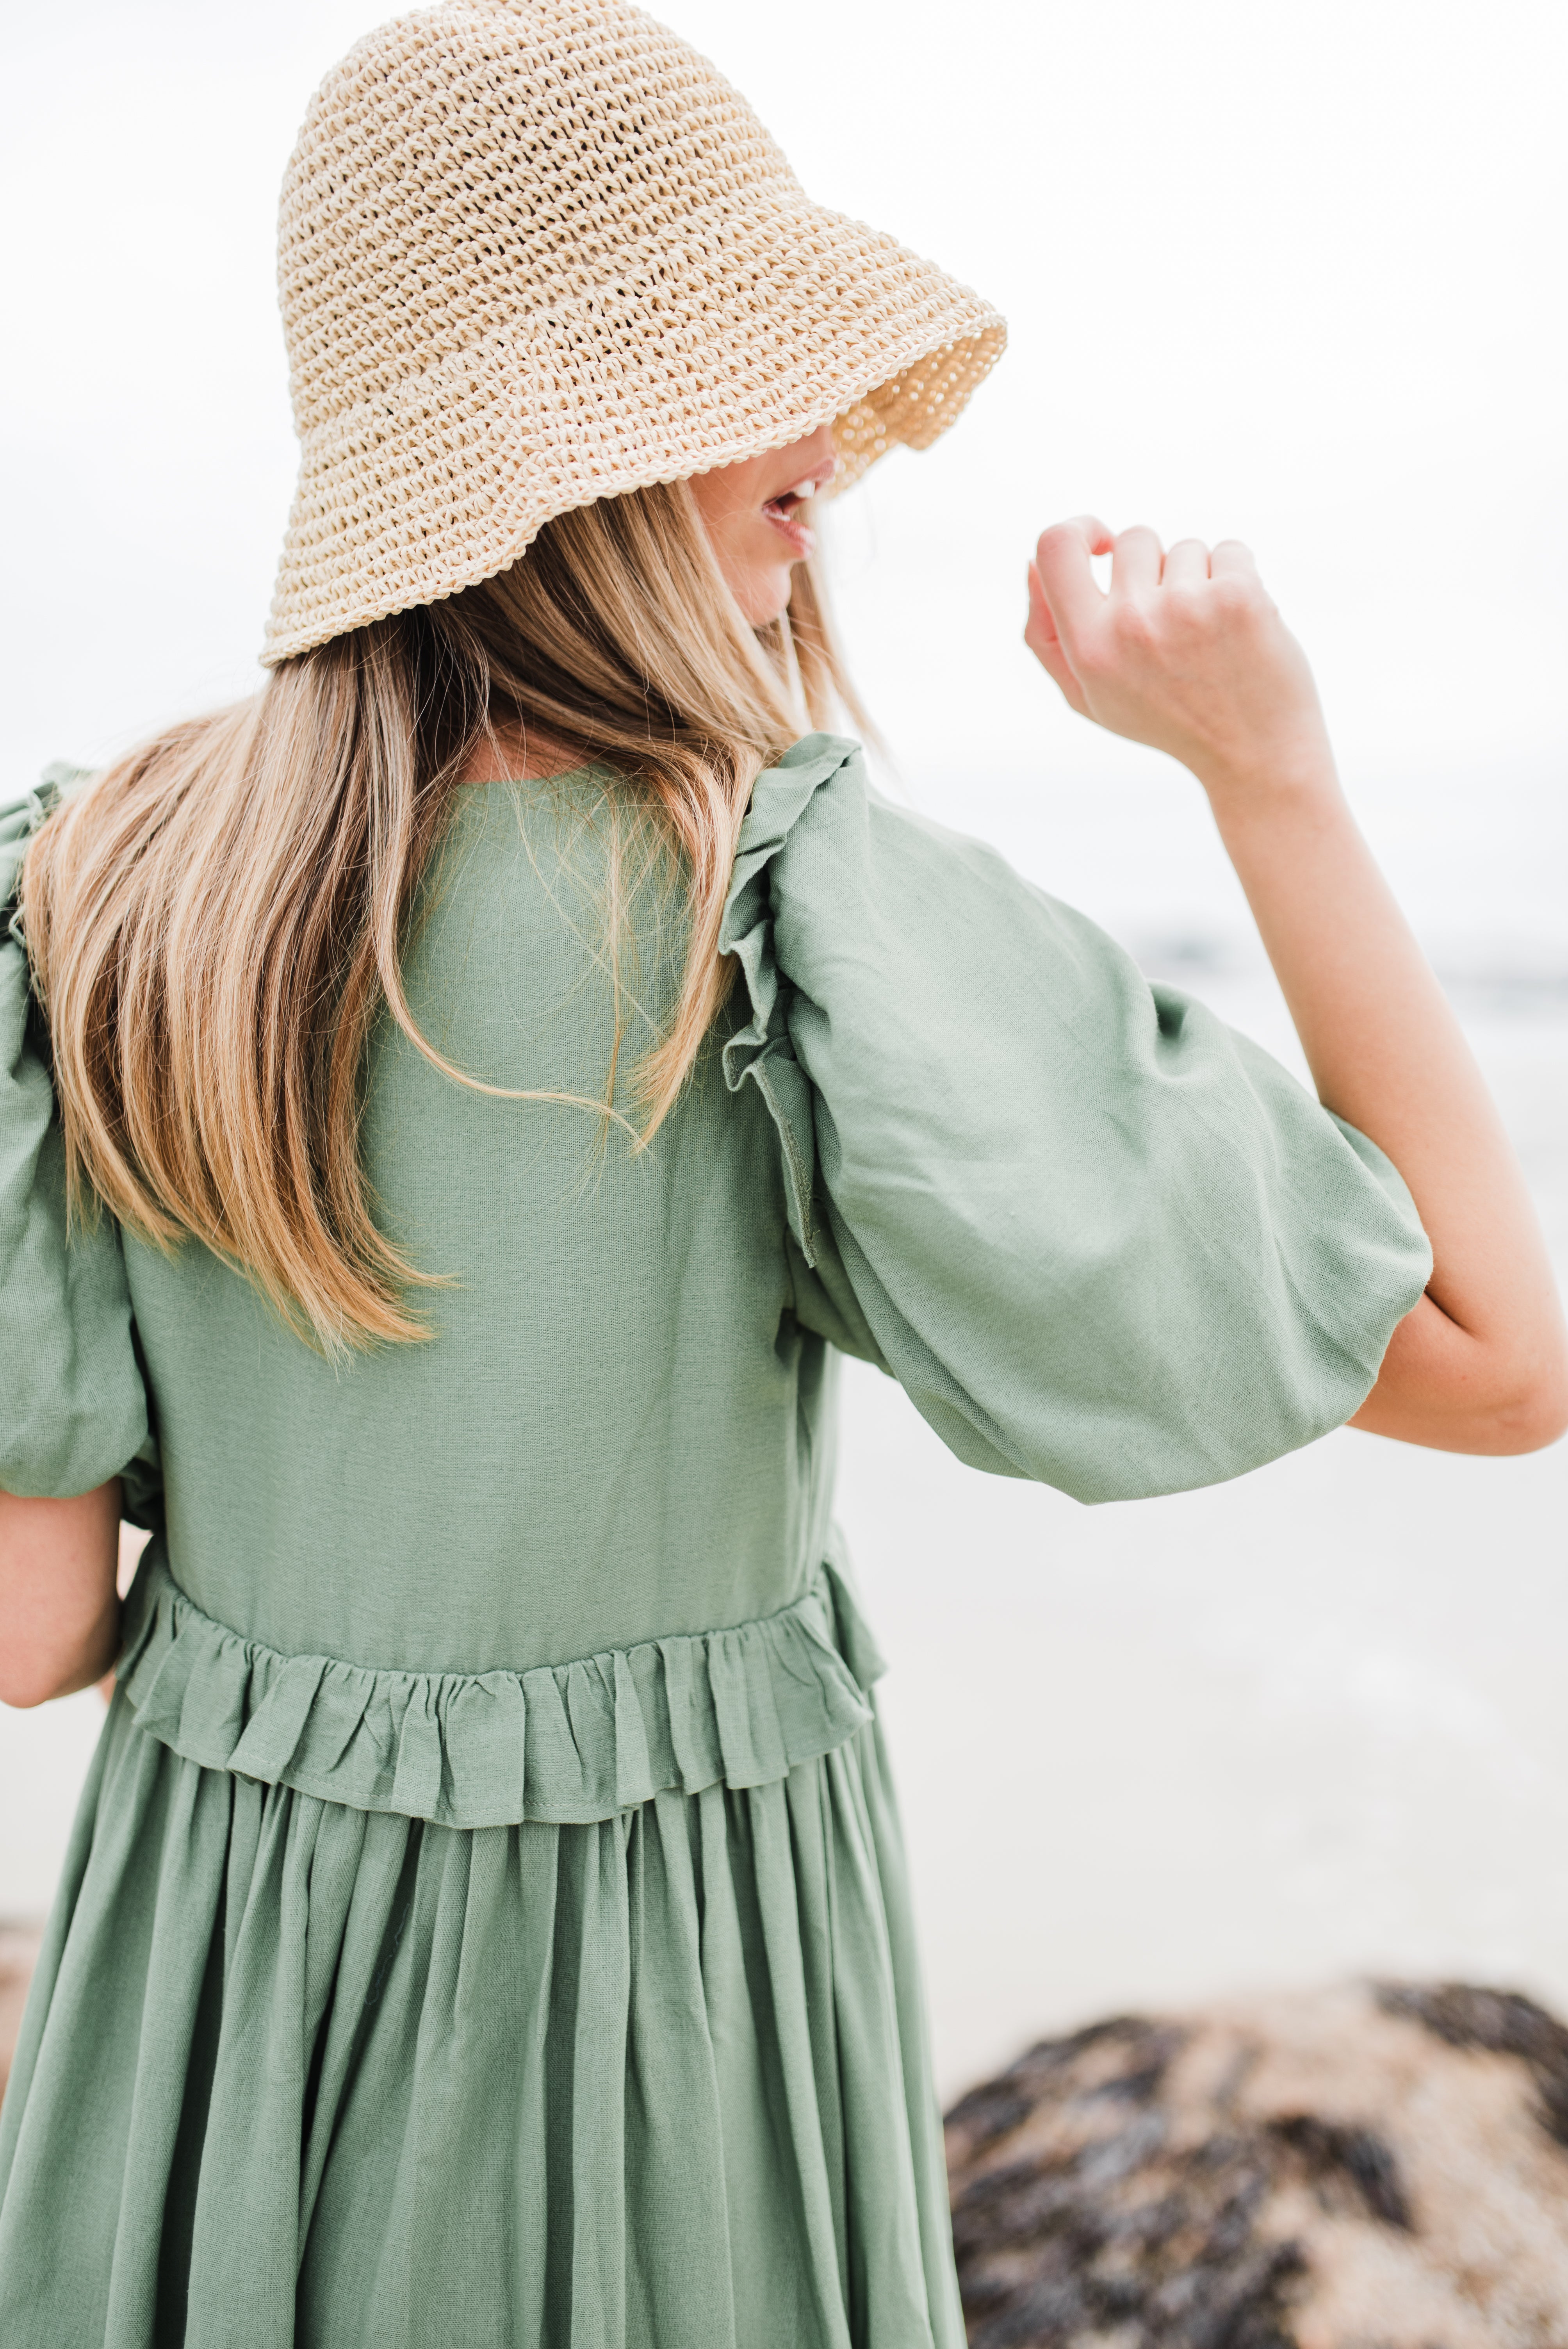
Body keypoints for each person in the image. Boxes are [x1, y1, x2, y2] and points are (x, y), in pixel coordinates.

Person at [0, 2, 1563, 2342]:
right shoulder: (785, 910)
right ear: (574, 445)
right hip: (669, 2048)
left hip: (223, 2033)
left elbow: (36, 1630)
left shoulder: (89, 895)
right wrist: (1274, 776)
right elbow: (1489, 1355)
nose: (833, 431)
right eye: (753, 357)